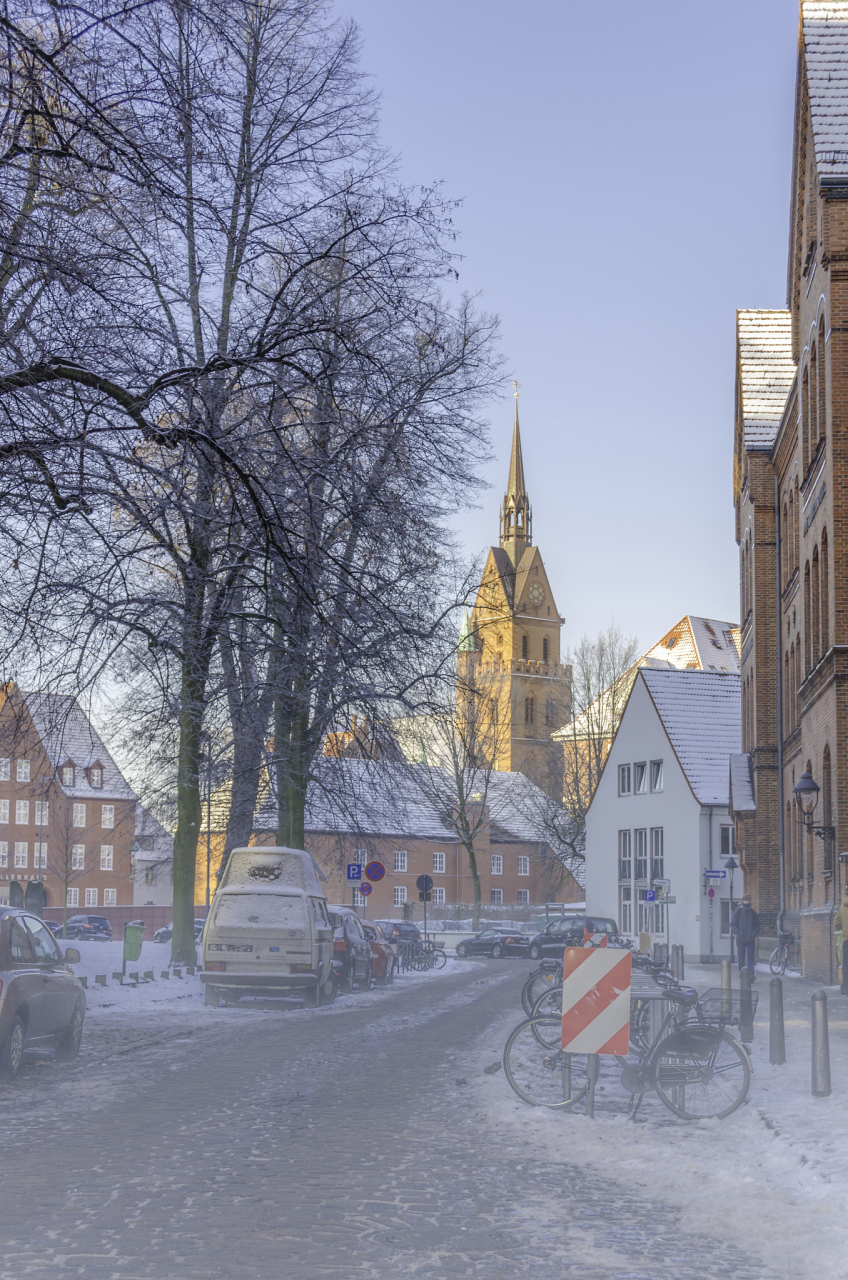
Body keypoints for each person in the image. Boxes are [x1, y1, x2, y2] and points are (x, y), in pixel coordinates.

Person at [731, 894, 760, 977]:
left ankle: (750, 975)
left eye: (748, 900)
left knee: (749, 957)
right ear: (743, 901)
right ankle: (743, 974)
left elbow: (757, 925)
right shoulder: (738, 912)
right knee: (742, 958)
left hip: (749, 938)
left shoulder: (752, 913)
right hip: (741, 939)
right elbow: (733, 924)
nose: (747, 902)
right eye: (746, 900)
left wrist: (753, 933)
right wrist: (738, 933)